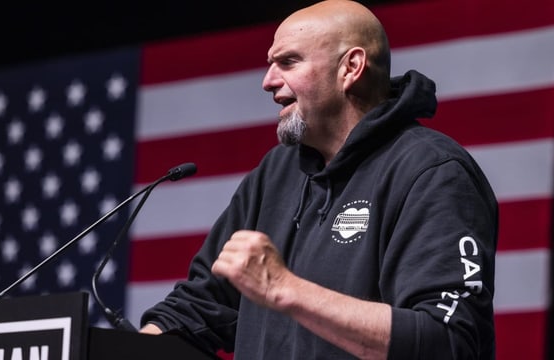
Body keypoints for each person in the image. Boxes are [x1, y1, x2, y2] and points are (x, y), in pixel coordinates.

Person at [139, 0, 498, 359]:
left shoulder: (432, 171)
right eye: (270, 65)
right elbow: (199, 308)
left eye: (288, 62)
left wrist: (285, 289)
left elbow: (449, 342)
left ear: (351, 68)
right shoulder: (276, 172)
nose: (268, 81)